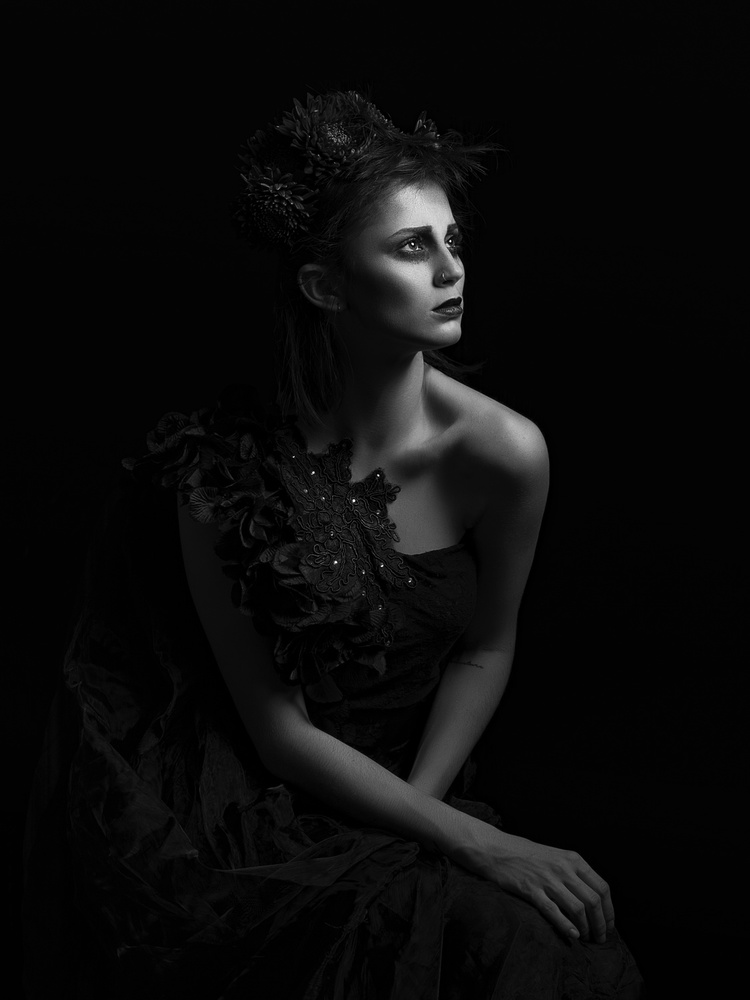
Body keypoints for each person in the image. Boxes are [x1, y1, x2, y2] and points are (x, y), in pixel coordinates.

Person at [23, 90, 644, 998]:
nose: (451, 268)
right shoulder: (223, 479)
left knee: (554, 957)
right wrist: (472, 843)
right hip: (259, 801)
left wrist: (426, 821)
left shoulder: (505, 452)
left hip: (415, 782)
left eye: (453, 240)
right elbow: (277, 733)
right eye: (411, 247)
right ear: (325, 286)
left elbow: (487, 645)